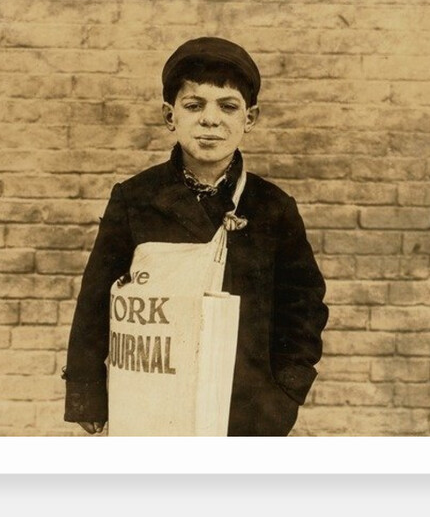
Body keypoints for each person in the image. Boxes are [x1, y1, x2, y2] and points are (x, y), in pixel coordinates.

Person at [62, 37, 329, 436]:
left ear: (249, 118)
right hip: (152, 399)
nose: (210, 119)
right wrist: (87, 390)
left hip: (244, 405)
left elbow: (303, 307)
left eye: (227, 106)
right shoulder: (135, 199)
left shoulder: (272, 207)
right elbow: (95, 300)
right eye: (194, 105)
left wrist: (284, 394)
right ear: (171, 116)